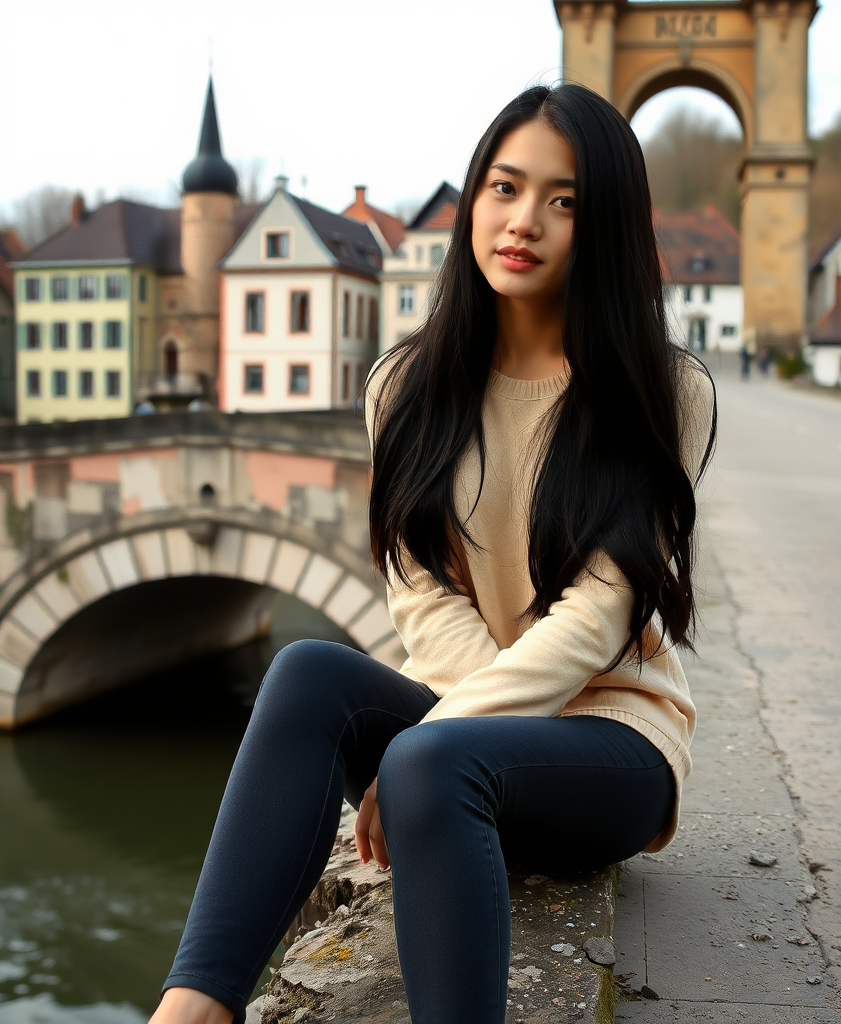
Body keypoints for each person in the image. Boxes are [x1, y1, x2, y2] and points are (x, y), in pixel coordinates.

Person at [150, 83, 716, 1024]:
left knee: (426, 765)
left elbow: (597, 619)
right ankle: (194, 1006)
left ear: (607, 222)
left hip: (612, 744)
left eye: (565, 199)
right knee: (305, 674)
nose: (523, 220)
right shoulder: (403, 385)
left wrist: (433, 740)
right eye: (503, 186)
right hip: (470, 720)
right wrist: (455, 731)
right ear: (473, 199)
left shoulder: (663, 391)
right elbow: (418, 600)